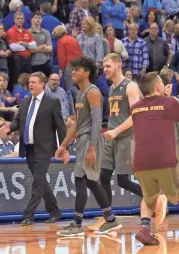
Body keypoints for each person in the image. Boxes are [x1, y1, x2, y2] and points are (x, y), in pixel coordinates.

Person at [104, 72, 179, 246]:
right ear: (158, 86)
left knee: (149, 197)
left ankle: (144, 230)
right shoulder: (170, 102)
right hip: (164, 160)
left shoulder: (136, 108)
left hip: (140, 162)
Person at [55, 57, 122, 236]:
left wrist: (92, 147)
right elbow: (77, 123)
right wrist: (63, 145)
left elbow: (97, 122)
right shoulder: (80, 93)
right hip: (83, 139)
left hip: (90, 140)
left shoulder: (93, 92)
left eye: (77, 69)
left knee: (83, 180)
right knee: (90, 182)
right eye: (73, 69)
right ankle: (110, 219)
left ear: (87, 72)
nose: (73, 72)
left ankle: (77, 224)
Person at [89, 53, 143, 231]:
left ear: (118, 65)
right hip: (110, 137)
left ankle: (155, 198)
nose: (104, 70)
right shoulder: (112, 88)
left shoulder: (131, 86)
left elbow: (136, 115)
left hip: (125, 137)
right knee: (103, 176)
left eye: (108, 66)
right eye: (104, 67)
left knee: (123, 181)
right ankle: (109, 218)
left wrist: (117, 130)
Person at [9, 72, 66, 225]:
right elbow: (17, 121)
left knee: (37, 182)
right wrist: (8, 128)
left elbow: (60, 127)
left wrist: (64, 146)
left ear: (43, 84)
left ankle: (28, 215)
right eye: (30, 82)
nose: (31, 85)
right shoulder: (26, 101)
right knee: (40, 182)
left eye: (34, 82)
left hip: (44, 148)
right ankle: (54, 211)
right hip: (28, 148)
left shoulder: (52, 102)